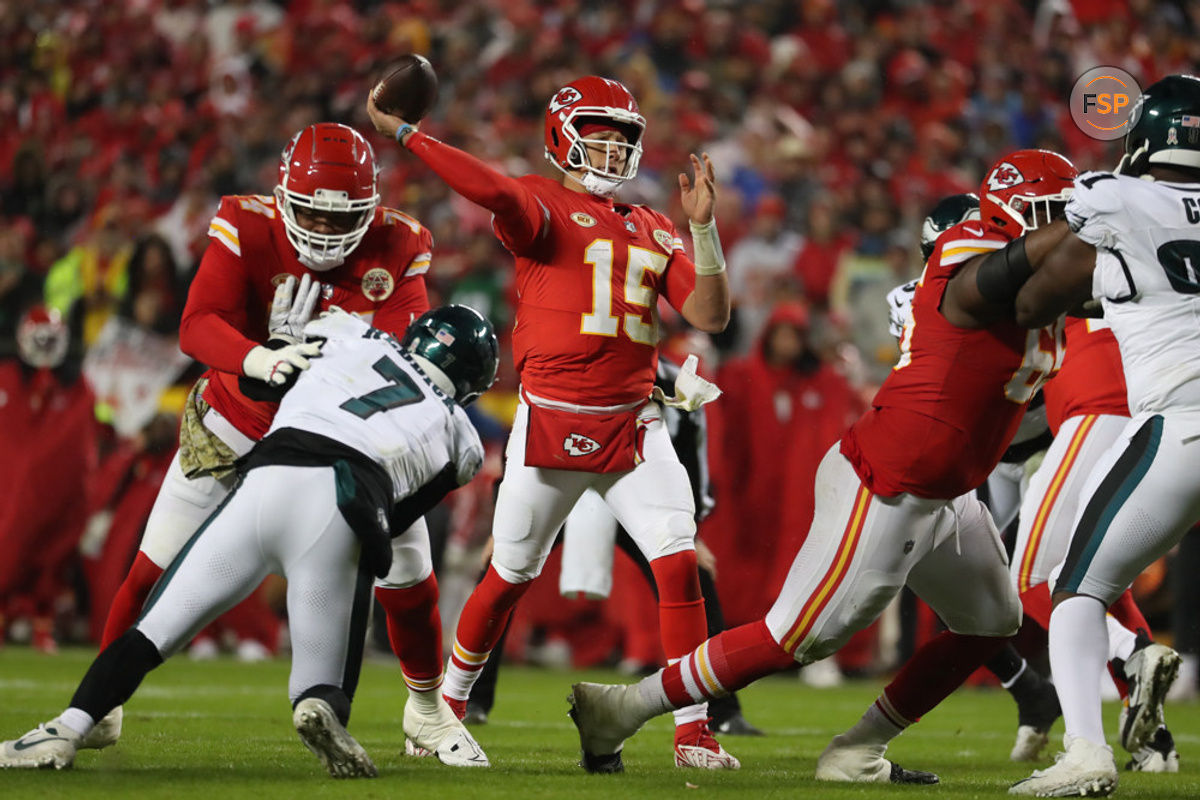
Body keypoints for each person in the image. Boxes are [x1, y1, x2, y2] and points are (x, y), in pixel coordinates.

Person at [565, 149, 1075, 780]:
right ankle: (622, 709)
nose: (1068, 225)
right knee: (796, 638)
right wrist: (1088, 224)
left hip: (946, 489)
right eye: (1057, 213)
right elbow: (1001, 289)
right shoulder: (967, 255)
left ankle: (859, 749)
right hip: (888, 479)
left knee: (992, 621)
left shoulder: (1039, 273)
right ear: (1011, 213)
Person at [366, 75, 738, 768]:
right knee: (507, 576)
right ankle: (443, 712)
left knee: (679, 563)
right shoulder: (542, 205)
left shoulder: (656, 226)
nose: (612, 146)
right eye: (599, 132)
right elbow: (493, 191)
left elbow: (711, 315)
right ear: (562, 136)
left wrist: (703, 229)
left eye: (623, 136)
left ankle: (693, 730)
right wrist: (409, 134)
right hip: (551, 424)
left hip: (632, 424)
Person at [0, 306, 497, 775]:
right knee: (325, 685)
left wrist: (280, 340)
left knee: (151, 633)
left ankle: (65, 728)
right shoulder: (460, 435)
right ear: (472, 383)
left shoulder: (348, 333)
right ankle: (316, 706)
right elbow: (399, 514)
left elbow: (263, 386)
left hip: (266, 476)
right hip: (342, 501)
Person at [88, 122, 448, 755]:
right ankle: (98, 707)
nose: (329, 232)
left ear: (372, 209)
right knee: (152, 567)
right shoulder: (246, 223)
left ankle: (427, 706)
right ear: (283, 195)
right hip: (238, 423)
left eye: (346, 219)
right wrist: (260, 358)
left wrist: (333, 339)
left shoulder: (399, 244)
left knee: (411, 573)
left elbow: (401, 361)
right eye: (312, 213)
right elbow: (197, 324)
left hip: (334, 440)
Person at [1008, 74, 1200, 797]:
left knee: (1073, 587)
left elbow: (1034, 298)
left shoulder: (1112, 197)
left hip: (1179, 420)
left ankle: (1086, 750)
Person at [464, 356, 761, 737]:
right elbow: (526, 432)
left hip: (634, 485)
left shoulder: (675, 380)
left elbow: (690, 450)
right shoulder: (569, 363)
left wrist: (692, 529)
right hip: (568, 475)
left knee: (693, 577)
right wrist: (500, 520)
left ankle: (720, 711)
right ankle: (468, 698)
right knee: (500, 572)